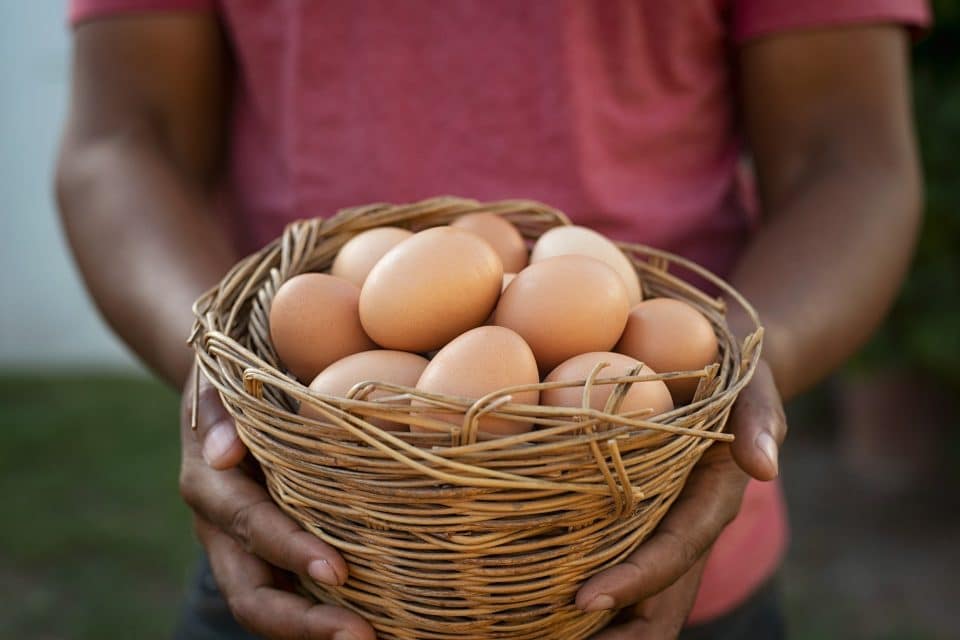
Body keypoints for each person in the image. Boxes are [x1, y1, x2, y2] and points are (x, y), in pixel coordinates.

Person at [56, 1, 929, 638]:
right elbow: (126, 139)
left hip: (656, 543)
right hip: (311, 530)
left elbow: (846, 157)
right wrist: (227, 385)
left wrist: (733, 385)